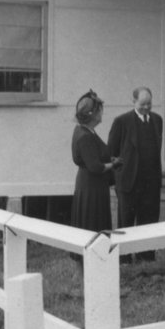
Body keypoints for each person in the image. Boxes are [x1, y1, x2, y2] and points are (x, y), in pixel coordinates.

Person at [106, 86, 163, 263]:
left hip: (151, 182)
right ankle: (124, 257)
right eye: (142, 104)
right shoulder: (122, 121)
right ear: (134, 102)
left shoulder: (157, 120)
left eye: (149, 104)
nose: (146, 107)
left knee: (149, 219)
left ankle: (146, 255)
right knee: (126, 220)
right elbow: (111, 152)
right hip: (129, 182)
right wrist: (119, 176)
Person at [71, 90, 121, 241]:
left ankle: (99, 260)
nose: (102, 113)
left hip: (93, 186)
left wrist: (108, 159)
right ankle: (90, 260)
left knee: (94, 225)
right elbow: (95, 167)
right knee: (92, 225)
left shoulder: (87, 131)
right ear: (93, 114)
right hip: (91, 189)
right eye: (100, 110)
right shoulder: (85, 136)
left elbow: (95, 155)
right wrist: (113, 164)